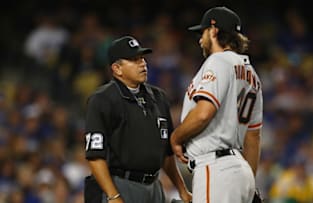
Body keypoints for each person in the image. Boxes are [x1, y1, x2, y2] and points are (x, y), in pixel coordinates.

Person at [170, 6, 263, 203]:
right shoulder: (252, 75)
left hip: (216, 166)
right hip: (241, 171)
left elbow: (204, 113)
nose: (200, 39)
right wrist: (249, 182)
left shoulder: (218, 61)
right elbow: (253, 137)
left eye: (202, 32)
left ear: (214, 31)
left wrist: (176, 138)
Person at [84, 35, 192, 203]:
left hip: (154, 186)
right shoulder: (102, 99)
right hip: (120, 184)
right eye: (134, 60)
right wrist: (113, 196)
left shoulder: (159, 97)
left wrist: (182, 190)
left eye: (142, 58)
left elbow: (167, 155)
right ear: (117, 69)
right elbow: (95, 156)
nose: (143, 63)